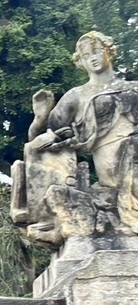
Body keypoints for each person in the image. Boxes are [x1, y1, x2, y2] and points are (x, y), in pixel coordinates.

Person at [29, 32, 138, 231]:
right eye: (86, 55)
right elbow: (42, 141)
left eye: (97, 51)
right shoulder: (77, 96)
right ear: (81, 61)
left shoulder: (134, 88)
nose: (93, 58)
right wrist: (39, 119)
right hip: (113, 163)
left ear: (109, 51)